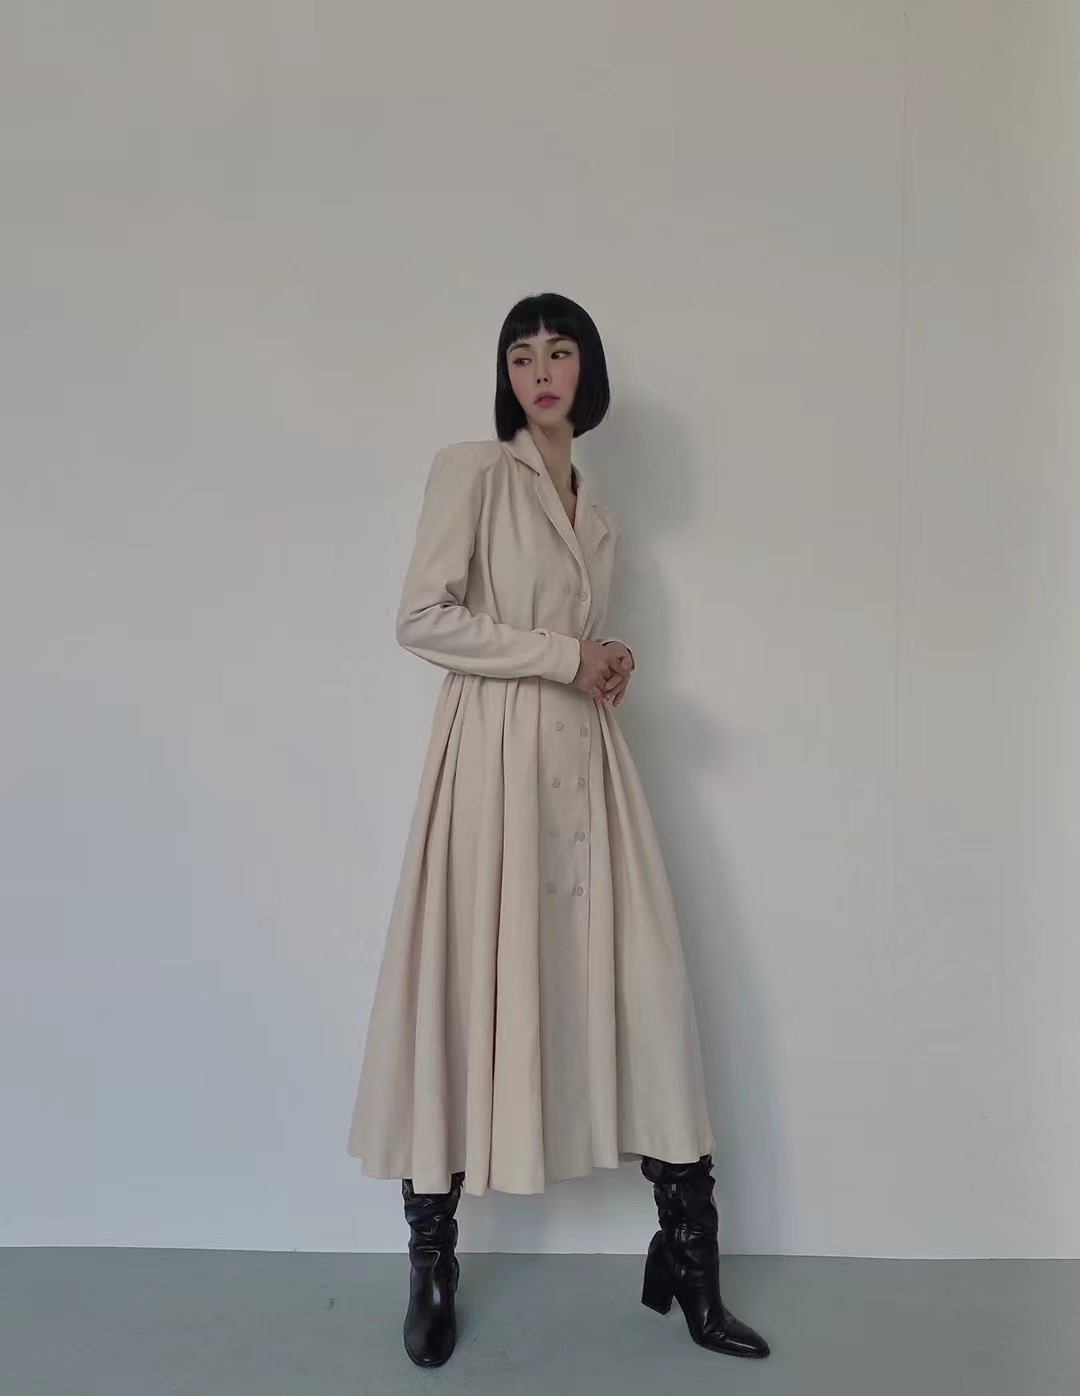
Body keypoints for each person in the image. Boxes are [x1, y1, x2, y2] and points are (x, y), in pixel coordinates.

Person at [346, 291, 771, 1367]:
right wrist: (561, 655)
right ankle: (431, 1264)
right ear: (506, 375)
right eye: (523, 355)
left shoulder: (598, 505)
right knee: (463, 987)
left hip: (587, 764)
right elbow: (422, 616)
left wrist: (605, 658)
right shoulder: (472, 471)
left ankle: (689, 1259)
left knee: (646, 987)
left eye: (562, 351)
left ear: (588, 372)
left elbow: (567, 635)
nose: (542, 371)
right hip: (491, 764)